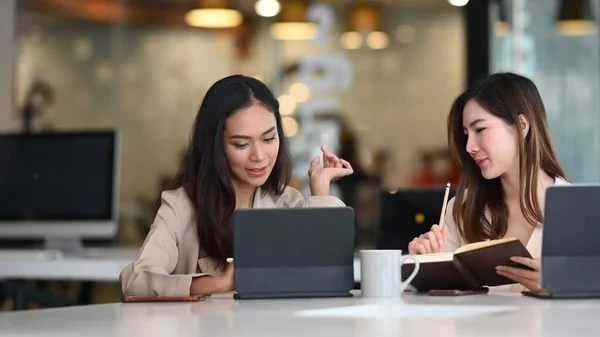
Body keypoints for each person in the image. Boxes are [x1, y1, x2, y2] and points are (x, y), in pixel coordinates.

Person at [120, 75, 354, 297]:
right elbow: (136, 281)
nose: (259, 156)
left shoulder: (287, 202)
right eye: (242, 144)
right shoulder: (181, 206)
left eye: (269, 139)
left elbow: (325, 278)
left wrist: (321, 192)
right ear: (216, 147)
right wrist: (219, 283)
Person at [407, 72, 569, 293]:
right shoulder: (463, 210)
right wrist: (425, 268)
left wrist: (564, 285)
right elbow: (441, 313)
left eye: (480, 129)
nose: (469, 146)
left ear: (522, 126)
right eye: (466, 134)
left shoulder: (578, 210)